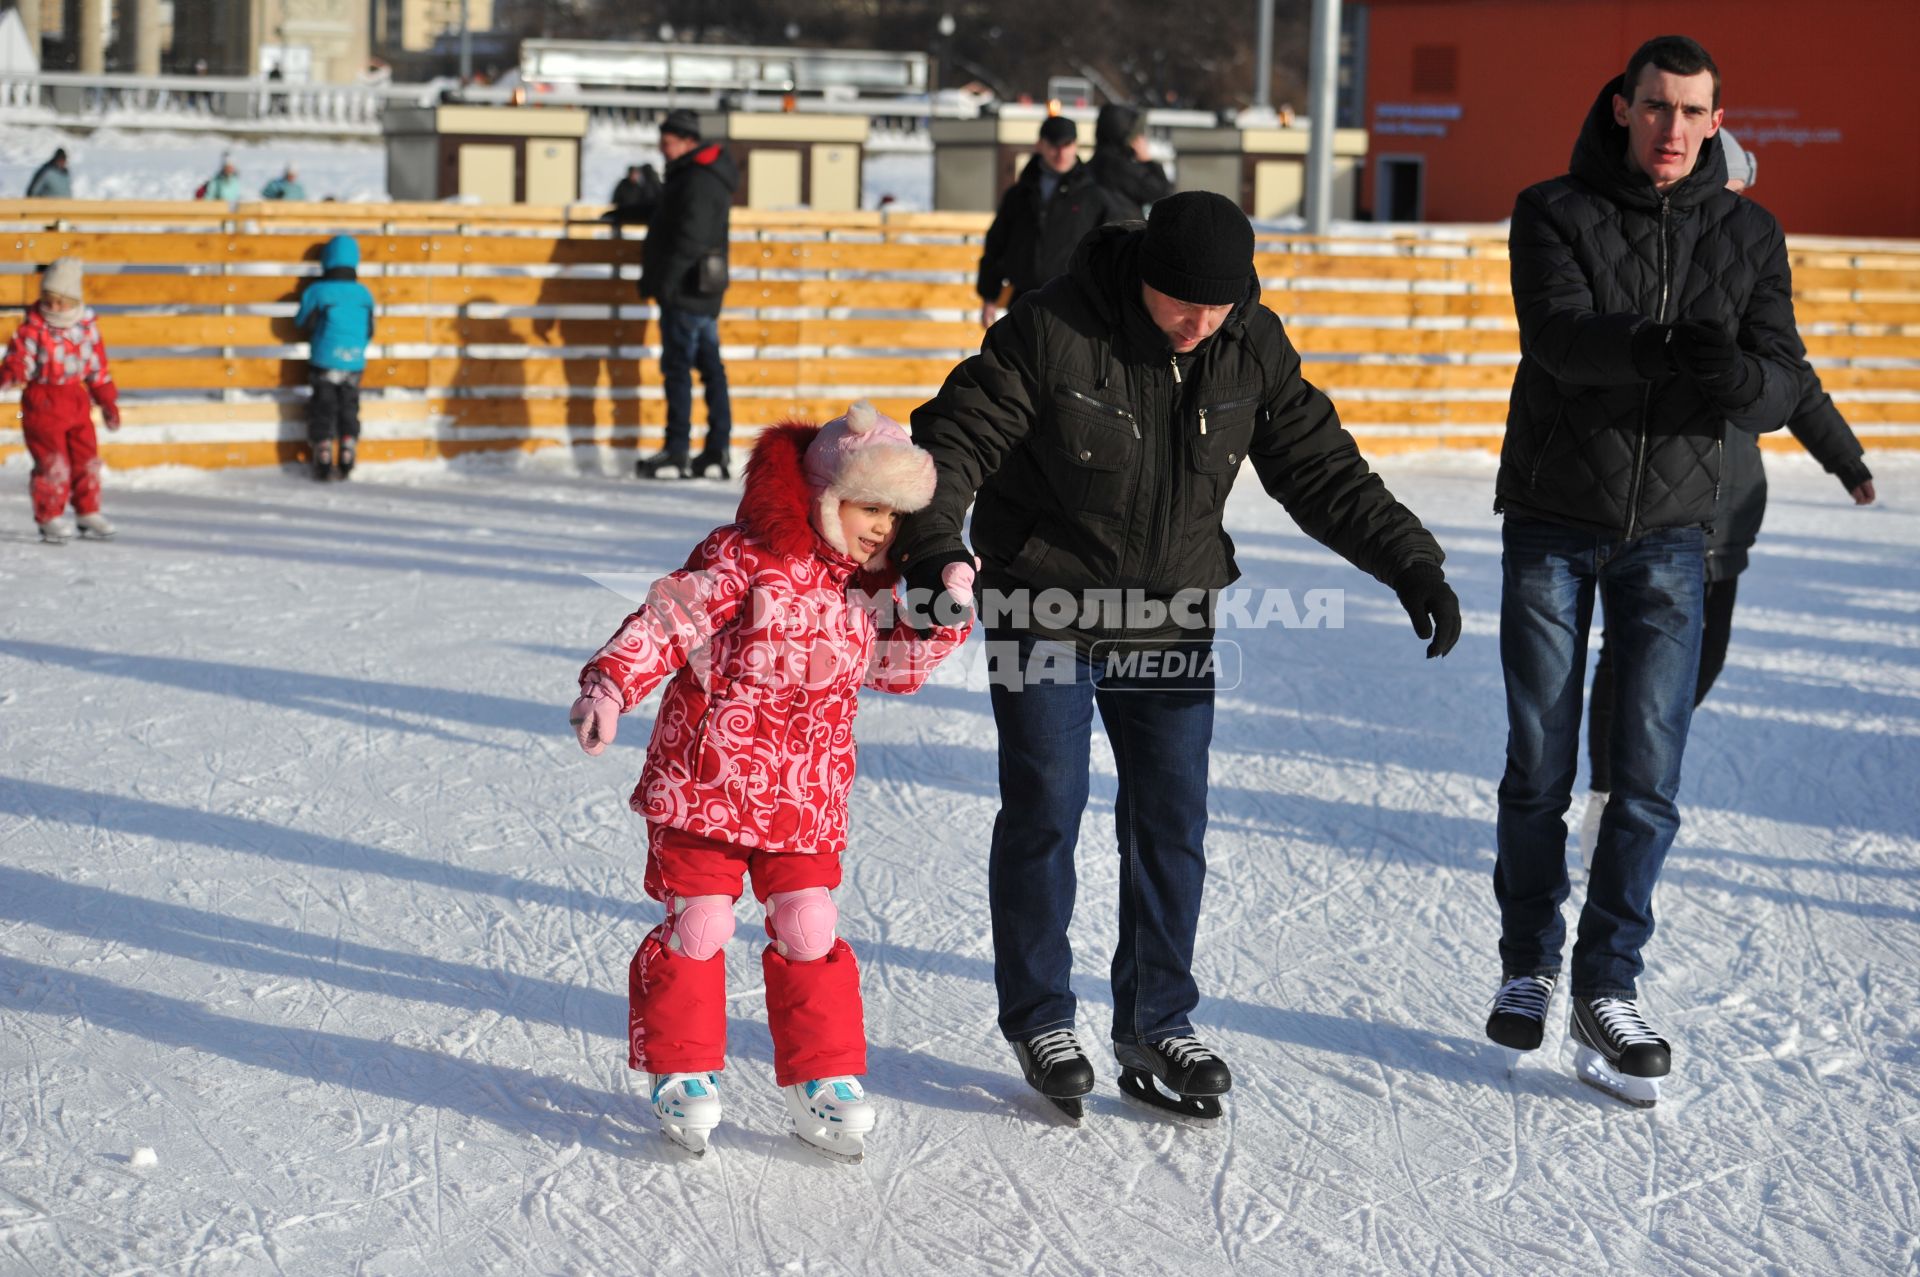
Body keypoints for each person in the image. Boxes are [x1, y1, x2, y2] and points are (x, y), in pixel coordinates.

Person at [892, 191, 1461, 1120]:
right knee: (1047, 803)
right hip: (1046, 602)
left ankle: (1157, 1017)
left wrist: (1410, 560)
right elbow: (954, 439)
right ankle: (1041, 1014)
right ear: (1142, 277)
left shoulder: (1250, 344)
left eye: (1218, 306)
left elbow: (1320, 467)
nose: (1198, 324)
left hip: (1172, 613)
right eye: (1179, 304)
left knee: (1170, 818)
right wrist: (932, 547)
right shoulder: (1054, 328)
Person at [1484, 36, 1807, 1108]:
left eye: (1694, 112)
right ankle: (1530, 959)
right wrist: (1676, 349)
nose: (1673, 129)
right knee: (1541, 757)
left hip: (1674, 530)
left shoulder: (1750, 233)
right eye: (1656, 107)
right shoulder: (1551, 210)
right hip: (1550, 520)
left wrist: (1742, 375)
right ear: (1622, 107)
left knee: (1648, 779)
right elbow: (1562, 341)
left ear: (1719, 122)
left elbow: (1781, 380)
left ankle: (1607, 985)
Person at [568, 401, 974, 1158]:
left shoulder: (865, 590)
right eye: (869, 505)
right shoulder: (742, 558)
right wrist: (610, 685)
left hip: (802, 797)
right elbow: (667, 622)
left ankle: (822, 1075)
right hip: (707, 784)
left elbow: (890, 667)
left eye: (895, 512)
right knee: (702, 923)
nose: (883, 526)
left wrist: (941, 620)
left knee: (809, 926)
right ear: (826, 496)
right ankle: (682, 1068)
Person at [1572, 128, 1877, 867]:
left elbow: (1792, 379)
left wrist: (1844, 456)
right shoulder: (1651, 272)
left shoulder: (1752, 273)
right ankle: (1613, 794)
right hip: (1652, 506)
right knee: (1627, 657)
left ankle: (1638, 769)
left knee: (1696, 666)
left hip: (1728, 513)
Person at [635, 109, 738, 481]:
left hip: (686, 290)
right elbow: (674, 218)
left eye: (668, 143)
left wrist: (665, 281)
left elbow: (690, 236)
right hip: (701, 288)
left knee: (679, 369)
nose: (663, 150)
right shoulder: (698, 175)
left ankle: (678, 450)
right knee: (710, 369)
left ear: (687, 141)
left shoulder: (696, 179)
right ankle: (714, 451)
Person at [1, 259, 121, 544]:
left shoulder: (87, 329)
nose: (53, 307)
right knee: (53, 463)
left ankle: (87, 511)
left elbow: (97, 369)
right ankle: (49, 516)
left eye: (61, 302)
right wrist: (13, 373)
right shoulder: (32, 329)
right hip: (42, 403)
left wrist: (107, 403)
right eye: (48, 299)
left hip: (76, 400)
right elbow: (18, 358)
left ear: (75, 300)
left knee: (86, 459)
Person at [975, 115, 1129, 328]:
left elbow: (1112, 250)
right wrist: (989, 296)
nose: (1061, 153)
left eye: (1067, 145)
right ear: (1040, 145)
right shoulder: (1019, 194)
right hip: (1024, 299)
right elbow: (996, 244)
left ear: (1076, 145)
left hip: (1074, 304)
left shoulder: (1095, 197)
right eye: (1053, 145)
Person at [294, 236, 375, 481]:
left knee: (323, 406)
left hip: (324, 360)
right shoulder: (364, 294)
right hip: (354, 362)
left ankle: (323, 449)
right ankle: (348, 445)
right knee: (349, 406)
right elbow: (370, 329)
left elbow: (301, 322)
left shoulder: (318, 291)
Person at [1087, 104, 1172, 219]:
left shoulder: (1092, 165)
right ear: (1124, 134)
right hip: (1123, 233)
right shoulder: (1119, 168)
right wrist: (1148, 161)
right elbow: (1162, 193)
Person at [605, 163, 662, 227]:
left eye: (636, 174)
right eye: (634, 174)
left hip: (635, 212)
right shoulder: (624, 184)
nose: (636, 176)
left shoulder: (645, 185)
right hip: (627, 211)